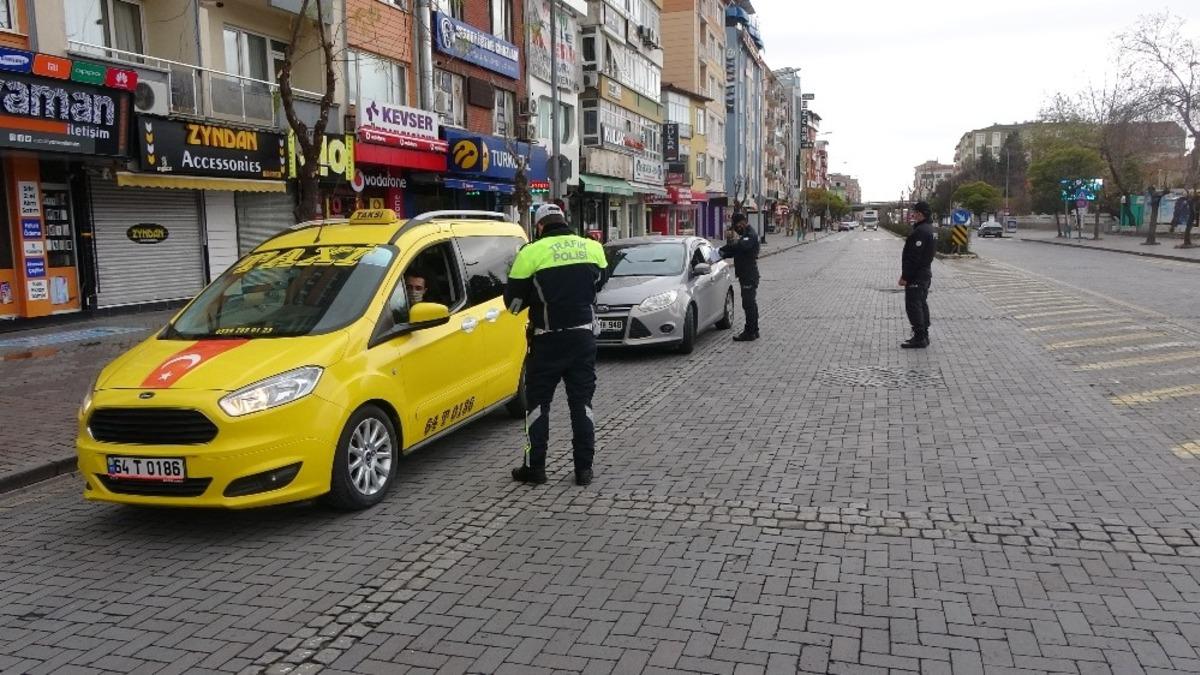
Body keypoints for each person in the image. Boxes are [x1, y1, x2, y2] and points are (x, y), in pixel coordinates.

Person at [505, 203, 608, 486]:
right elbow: (599, 283)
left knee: (538, 406)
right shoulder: (592, 248)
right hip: (583, 339)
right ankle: (583, 471)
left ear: (539, 226)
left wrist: (534, 298)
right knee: (582, 405)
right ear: (564, 220)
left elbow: (512, 304)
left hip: (547, 340)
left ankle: (535, 469)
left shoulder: (531, 253)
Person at [899, 201, 936, 349]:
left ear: (921, 214)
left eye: (915, 212)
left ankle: (920, 336)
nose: (913, 214)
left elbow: (914, 258)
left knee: (914, 305)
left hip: (917, 275)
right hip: (925, 273)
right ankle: (924, 334)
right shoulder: (930, 229)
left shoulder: (921, 231)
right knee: (921, 303)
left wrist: (905, 277)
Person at [720, 212, 761, 342]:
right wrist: (722, 254)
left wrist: (724, 248)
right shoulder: (745, 235)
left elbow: (740, 246)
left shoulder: (750, 235)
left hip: (749, 275)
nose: (736, 228)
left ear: (743, 222)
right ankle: (754, 330)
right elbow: (737, 251)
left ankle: (750, 332)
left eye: (737, 225)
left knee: (748, 304)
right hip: (746, 275)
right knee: (750, 304)